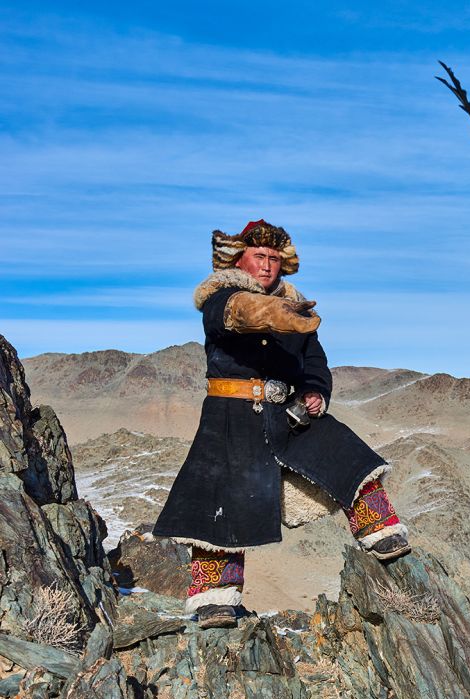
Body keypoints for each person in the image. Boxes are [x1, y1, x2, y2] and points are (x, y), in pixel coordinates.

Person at [153, 220, 410, 628]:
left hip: (287, 412)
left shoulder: (298, 307)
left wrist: (315, 391)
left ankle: (380, 532)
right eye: (260, 257)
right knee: (221, 505)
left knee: (349, 456)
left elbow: (314, 361)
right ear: (239, 258)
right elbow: (238, 314)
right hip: (229, 419)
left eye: (274, 258)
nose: (268, 265)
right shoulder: (221, 298)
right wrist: (275, 311)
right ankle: (214, 599)